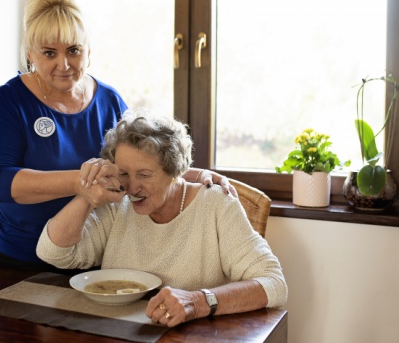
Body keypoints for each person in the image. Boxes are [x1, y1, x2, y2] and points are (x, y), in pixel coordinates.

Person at [0, 0, 237, 273]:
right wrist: (81, 182)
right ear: (31, 54)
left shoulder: (109, 101)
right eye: (49, 53)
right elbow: (2, 182)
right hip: (23, 258)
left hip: (94, 253)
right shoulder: (9, 101)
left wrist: (196, 175)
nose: (63, 64)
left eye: (73, 50)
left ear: (88, 51)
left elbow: (142, 163)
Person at [36, 108, 287, 327]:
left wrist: (198, 302)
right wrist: (87, 192)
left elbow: (273, 284)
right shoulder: (117, 203)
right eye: (123, 173)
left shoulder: (216, 205)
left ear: (175, 171)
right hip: (118, 332)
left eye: (144, 175)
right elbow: (53, 253)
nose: (132, 188)